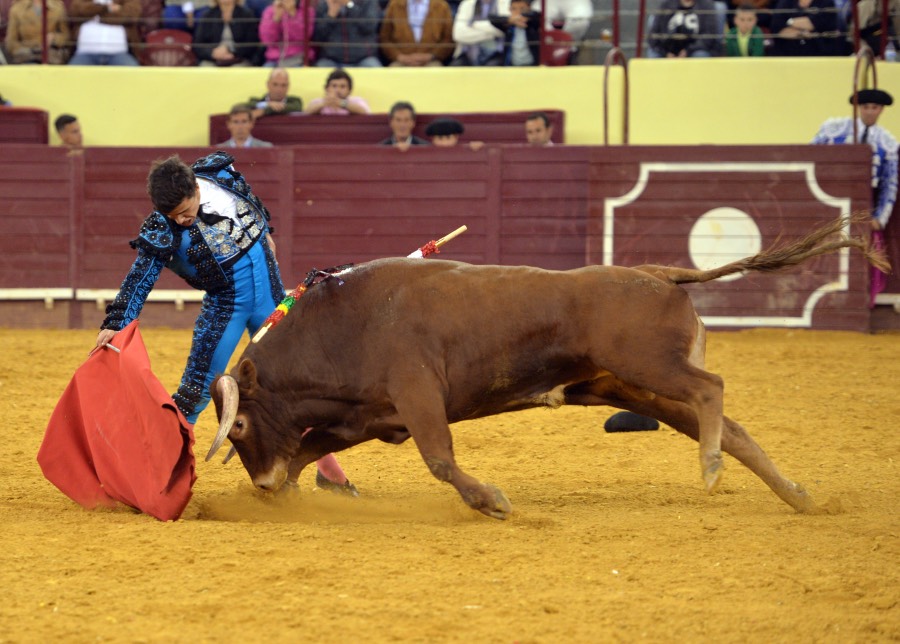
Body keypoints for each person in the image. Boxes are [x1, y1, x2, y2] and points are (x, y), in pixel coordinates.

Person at [93, 152, 358, 495]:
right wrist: (118, 321)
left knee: (295, 385)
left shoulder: (218, 174)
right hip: (226, 309)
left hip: (271, 299)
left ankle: (330, 475)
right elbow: (140, 276)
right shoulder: (162, 227)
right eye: (174, 216)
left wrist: (265, 231)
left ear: (195, 188)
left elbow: (248, 197)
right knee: (194, 394)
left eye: (185, 211)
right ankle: (159, 478)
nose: (182, 220)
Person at [813, 88, 898, 307]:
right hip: (830, 200)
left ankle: (859, 303)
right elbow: (811, 156)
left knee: (865, 251)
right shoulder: (832, 130)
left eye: (874, 108)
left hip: (863, 207)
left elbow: (889, 183)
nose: (869, 112)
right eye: (865, 107)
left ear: (881, 110)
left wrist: (880, 218)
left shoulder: (888, 143)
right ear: (858, 108)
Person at [379, 0, 455, 66]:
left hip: (432, 62)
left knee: (438, 73)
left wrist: (431, 56)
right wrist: (399, 57)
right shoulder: (395, 5)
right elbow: (385, 38)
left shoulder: (441, 6)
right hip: (400, 62)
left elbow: (448, 39)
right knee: (392, 74)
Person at [67, 0, 141, 65]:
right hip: (85, 54)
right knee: (71, 75)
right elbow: (75, 11)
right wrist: (107, 8)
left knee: (134, 74)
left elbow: (132, 14)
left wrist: (97, 16)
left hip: (119, 53)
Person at [312, 0, 383, 67]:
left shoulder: (368, 2)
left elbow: (369, 27)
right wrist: (331, 15)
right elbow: (318, 36)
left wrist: (349, 5)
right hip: (331, 59)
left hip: (363, 59)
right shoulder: (324, 4)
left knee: (374, 68)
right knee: (320, 68)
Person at [192, 0, 261, 67]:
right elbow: (198, 44)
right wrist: (212, 53)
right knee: (206, 69)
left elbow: (252, 43)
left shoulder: (246, 15)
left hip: (239, 58)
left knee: (239, 70)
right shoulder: (207, 15)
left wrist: (232, 53)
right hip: (212, 59)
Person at [646, 0, 723, 58]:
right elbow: (653, 35)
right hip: (668, 50)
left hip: (695, 50)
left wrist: (687, 51)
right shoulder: (666, 5)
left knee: (700, 55)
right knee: (654, 54)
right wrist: (666, 53)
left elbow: (708, 36)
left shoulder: (706, 6)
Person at [4, 0, 70, 65]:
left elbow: (66, 36)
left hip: (51, 56)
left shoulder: (57, 7)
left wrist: (54, 37)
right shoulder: (17, 9)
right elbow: (11, 41)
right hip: (27, 57)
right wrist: (24, 50)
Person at [768, 0, 840, 56]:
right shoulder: (786, 2)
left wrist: (789, 21)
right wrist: (801, 33)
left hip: (819, 53)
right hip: (788, 55)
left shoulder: (826, 2)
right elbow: (778, 28)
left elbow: (814, 23)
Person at [258, 0, 316, 67]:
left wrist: (291, 14)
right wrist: (276, 18)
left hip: (300, 57)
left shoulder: (307, 11)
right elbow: (267, 40)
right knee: (266, 70)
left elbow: (303, 36)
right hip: (275, 59)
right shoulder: (270, 11)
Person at [450, 0, 505, 66]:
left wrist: (475, 25)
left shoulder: (504, 3)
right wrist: (491, 35)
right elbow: (458, 35)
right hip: (467, 55)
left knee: (493, 67)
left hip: (495, 55)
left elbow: (502, 30)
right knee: (455, 66)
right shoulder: (467, 4)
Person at [489, 0, 541, 65]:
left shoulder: (532, 25)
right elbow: (492, 19)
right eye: (514, 9)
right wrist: (511, 20)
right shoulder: (509, 27)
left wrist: (526, 17)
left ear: (529, 8)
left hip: (532, 66)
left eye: (522, 9)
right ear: (509, 9)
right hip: (513, 66)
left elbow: (537, 16)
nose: (518, 12)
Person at [304, 69, 370, 115]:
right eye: (334, 86)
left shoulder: (357, 101)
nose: (338, 90)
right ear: (326, 89)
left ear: (349, 90)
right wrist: (324, 103)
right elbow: (305, 114)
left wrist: (341, 103)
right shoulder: (317, 102)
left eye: (342, 86)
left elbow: (365, 113)